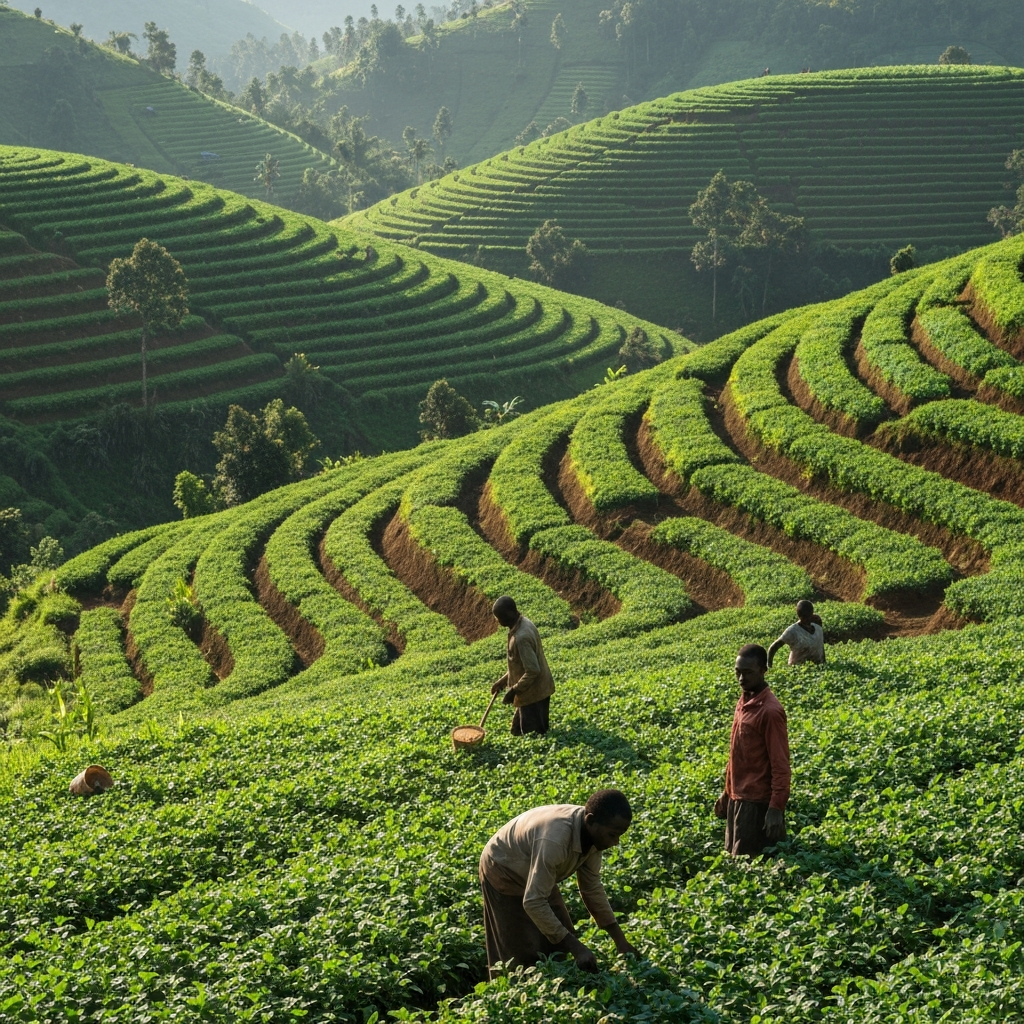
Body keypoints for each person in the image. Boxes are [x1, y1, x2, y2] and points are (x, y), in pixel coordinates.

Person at [479, 789, 639, 978]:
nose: (616, 842)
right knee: (520, 954)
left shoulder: (595, 837)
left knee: (559, 939)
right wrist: (577, 947)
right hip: (502, 867)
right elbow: (534, 901)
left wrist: (620, 941)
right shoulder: (555, 839)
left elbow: (592, 888)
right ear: (590, 821)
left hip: (535, 867)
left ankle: (559, 984)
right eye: (612, 835)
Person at [713, 643, 791, 856]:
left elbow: (780, 764)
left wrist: (776, 807)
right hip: (738, 798)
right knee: (735, 860)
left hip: (757, 804)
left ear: (763, 670)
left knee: (754, 866)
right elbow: (737, 754)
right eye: (737, 672)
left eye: (747, 673)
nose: (741, 679)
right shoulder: (744, 700)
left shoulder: (770, 711)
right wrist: (728, 791)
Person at [490, 595, 554, 735]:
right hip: (533, 690)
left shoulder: (521, 638)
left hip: (534, 694)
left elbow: (532, 670)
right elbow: (519, 664)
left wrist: (514, 690)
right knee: (520, 731)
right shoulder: (523, 622)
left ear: (510, 614)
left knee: (531, 735)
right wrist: (502, 682)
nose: (498, 621)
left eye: (500, 617)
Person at [767, 599, 825, 668]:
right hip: (797, 670)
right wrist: (769, 666)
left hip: (818, 669)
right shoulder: (793, 631)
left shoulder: (818, 628)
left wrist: (824, 664)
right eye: (805, 616)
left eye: (809, 615)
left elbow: (821, 648)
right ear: (799, 615)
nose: (808, 618)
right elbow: (773, 647)